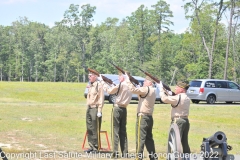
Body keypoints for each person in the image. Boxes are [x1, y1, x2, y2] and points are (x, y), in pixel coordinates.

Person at [125, 74, 158, 160]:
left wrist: (128, 80)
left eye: (145, 81)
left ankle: (138, 157)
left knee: (140, 138)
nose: (144, 82)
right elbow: (142, 98)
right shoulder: (153, 90)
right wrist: (138, 86)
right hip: (149, 117)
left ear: (150, 82)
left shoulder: (146, 89)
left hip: (142, 117)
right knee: (149, 139)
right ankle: (153, 157)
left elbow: (132, 90)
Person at [101, 71, 132, 158]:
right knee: (123, 131)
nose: (119, 79)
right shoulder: (130, 85)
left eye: (120, 77)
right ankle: (125, 153)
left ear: (123, 77)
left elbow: (110, 91)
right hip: (124, 109)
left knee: (115, 131)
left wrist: (103, 83)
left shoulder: (121, 84)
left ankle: (115, 153)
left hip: (117, 108)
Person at [158, 81, 191, 154]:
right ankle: (187, 156)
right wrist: (168, 92)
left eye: (177, 87)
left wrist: (161, 90)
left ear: (182, 89)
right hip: (185, 120)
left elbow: (164, 99)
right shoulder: (186, 97)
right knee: (184, 141)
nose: (175, 88)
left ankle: (174, 156)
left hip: (178, 120)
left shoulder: (178, 97)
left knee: (175, 141)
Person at [85, 69, 105, 153]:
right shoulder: (91, 85)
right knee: (89, 128)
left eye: (90, 75)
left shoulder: (98, 85)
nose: (89, 77)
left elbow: (101, 98)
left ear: (95, 76)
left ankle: (96, 147)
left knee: (95, 128)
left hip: (95, 109)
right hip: (89, 108)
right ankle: (91, 146)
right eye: (88, 75)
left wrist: (99, 110)